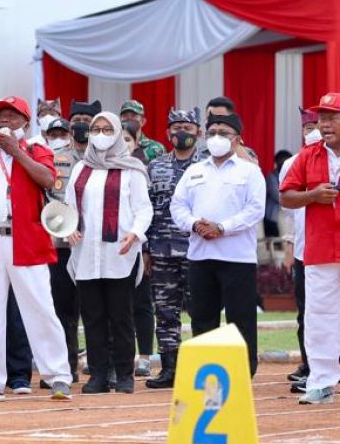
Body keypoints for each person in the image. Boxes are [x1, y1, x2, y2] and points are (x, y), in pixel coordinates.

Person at [0, 96, 73, 401]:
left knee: (40, 307)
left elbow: (48, 179)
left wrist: (17, 153)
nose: (3, 121)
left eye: (11, 116)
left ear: (25, 122)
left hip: (25, 240)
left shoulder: (36, 149)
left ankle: (58, 375)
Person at [170, 112, 265, 376]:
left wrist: (222, 227)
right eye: (212, 132)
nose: (217, 138)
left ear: (237, 139)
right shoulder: (195, 170)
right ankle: (205, 371)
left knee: (241, 317)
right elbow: (177, 205)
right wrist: (194, 224)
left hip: (238, 258)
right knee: (202, 318)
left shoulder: (250, 171)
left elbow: (255, 210)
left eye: (224, 133)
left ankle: (243, 372)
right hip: (200, 256)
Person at [64, 112, 152, 395]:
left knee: (121, 315)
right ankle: (99, 374)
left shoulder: (132, 169)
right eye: (95, 129)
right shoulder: (80, 170)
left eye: (106, 129)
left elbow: (143, 209)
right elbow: (69, 208)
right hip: (87, 252)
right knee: (92, 316)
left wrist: (135, 233)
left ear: (116, 133)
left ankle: (124, 374)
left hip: (119, 253)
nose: (100, 134)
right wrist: (69, 229)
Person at [279, 92, 340, 405]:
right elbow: (286, 196)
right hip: (319, 249)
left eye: (332, 117)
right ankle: (322, 382)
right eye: (322, 119)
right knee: (319, 316)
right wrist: (313, 195)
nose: (325, 124)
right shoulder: (307, 155)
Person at [144, 108, 201, 389]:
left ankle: (201, 369)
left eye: (187, 128)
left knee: (201, 311)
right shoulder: (156, 167)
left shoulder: (206, 165)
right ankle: (169, 369)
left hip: (198, 250)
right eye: (176, 127)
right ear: (167, 133)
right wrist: (146, 250)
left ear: (198, 132)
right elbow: (147, 209)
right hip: (162, 250)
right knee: (165, 311)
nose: (182, 133)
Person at [279, 107, 319, 394]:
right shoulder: (294, 162)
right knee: (307, 312)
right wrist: (289, 247)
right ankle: (310, 365)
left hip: (332, 249)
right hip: (306, 249)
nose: (313, 131)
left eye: (318, 124)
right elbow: (289, 212)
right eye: (308, 127)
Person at [44, 117, 80, 381]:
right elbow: (48, 197)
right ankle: (66, 368)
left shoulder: (100, 158)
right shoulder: (56, 159)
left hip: (90, 246)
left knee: (95, 308)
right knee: (61, 309)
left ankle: (105, 369)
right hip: (60, 244)